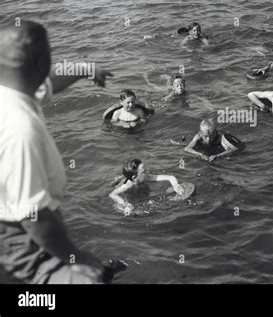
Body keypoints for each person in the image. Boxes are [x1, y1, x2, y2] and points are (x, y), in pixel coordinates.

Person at [0, 20, 112, 284]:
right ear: (41, 63)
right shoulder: (19, 127)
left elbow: (49, 82)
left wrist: (86, 69)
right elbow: (33, 216)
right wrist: (78, 258)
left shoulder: (12, 92)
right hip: (18, 239)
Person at [108, 159, 184, 215]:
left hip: (137, 183)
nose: (147, 172)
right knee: (128, 211)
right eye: (144, 172)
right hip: (130, 192)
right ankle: (118, 179)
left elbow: (170, 177)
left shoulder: (147, 177)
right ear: (135, 178)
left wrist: (175, 185)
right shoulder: (128, 186)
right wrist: (125, 204)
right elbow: (112, 194)